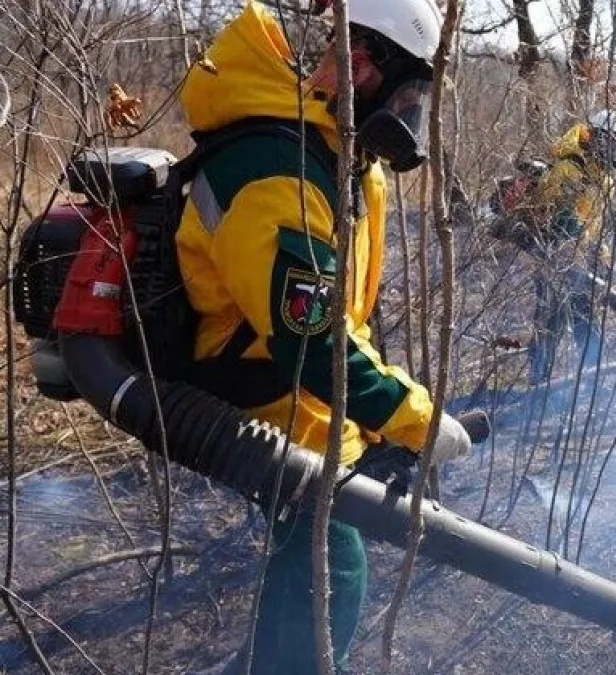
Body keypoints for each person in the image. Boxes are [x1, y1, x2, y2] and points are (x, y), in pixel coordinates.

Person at [174, 1, 471, 672]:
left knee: (308, 552)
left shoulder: (337, 152)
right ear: (359, 65)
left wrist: (373, 428)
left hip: (294, 390)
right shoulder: (278, 169)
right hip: (255, 390)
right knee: (331, 556)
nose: (409, 114)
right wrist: (414, 418)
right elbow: (312, 341)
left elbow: (337, 321)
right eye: (406, 93)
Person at [525, 109, 616, 384]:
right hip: (554, 260)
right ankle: (537, 384)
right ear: (593, 136)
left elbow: (593, 224)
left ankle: (594, 383)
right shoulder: (568, 168)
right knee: (550, 321)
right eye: (607, 140)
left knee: (587, 322)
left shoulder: (604, 179)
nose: (611, 147)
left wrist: (600, 255)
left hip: (583, 262)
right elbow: (545, 212)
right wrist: (560, 250)